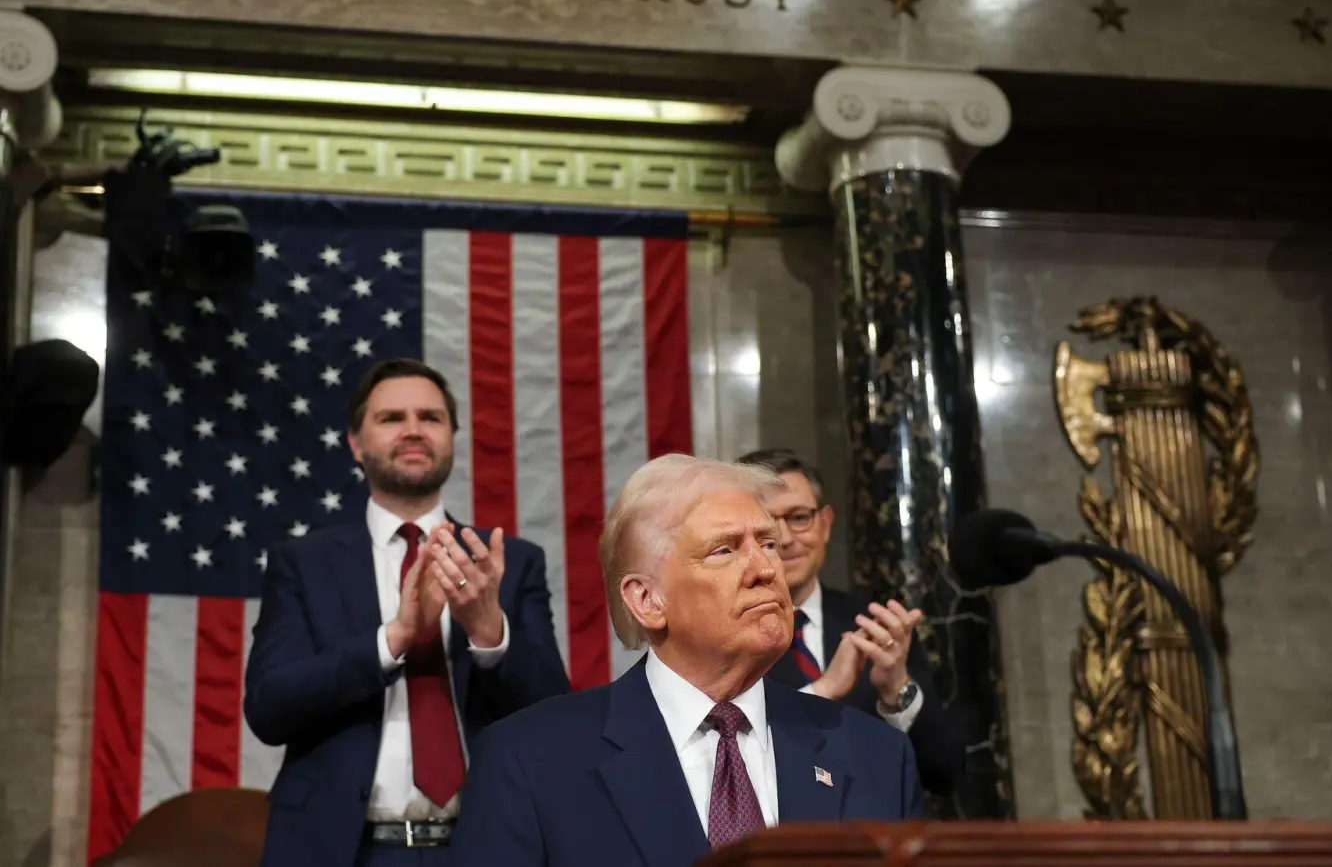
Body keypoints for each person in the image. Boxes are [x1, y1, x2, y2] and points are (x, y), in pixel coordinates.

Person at [449, 455, 922, 867]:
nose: (765, 570)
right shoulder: (530, 760)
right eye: (724, 550)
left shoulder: (876, 756)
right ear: (648, 600)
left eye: (769, 544)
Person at [245, 358, 571, 867]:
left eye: (431, 417)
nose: (414, 430)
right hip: (341, 850)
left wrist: (489, 633)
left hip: (485, 847)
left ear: (453, 437)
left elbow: (554, 715)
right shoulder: (302, 563)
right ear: (356, 444)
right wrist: (393, 637)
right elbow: (268, 708)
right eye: (392, 418)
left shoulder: (507, 562)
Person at [734, 448, 964, 797]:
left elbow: (944, 772)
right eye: (766, 524)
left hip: (880, 842)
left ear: (825, 524)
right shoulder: (719, 637)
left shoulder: (878, 624)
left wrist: (896, 691)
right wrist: (822, 691)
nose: (785, 538)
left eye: (799, 517)